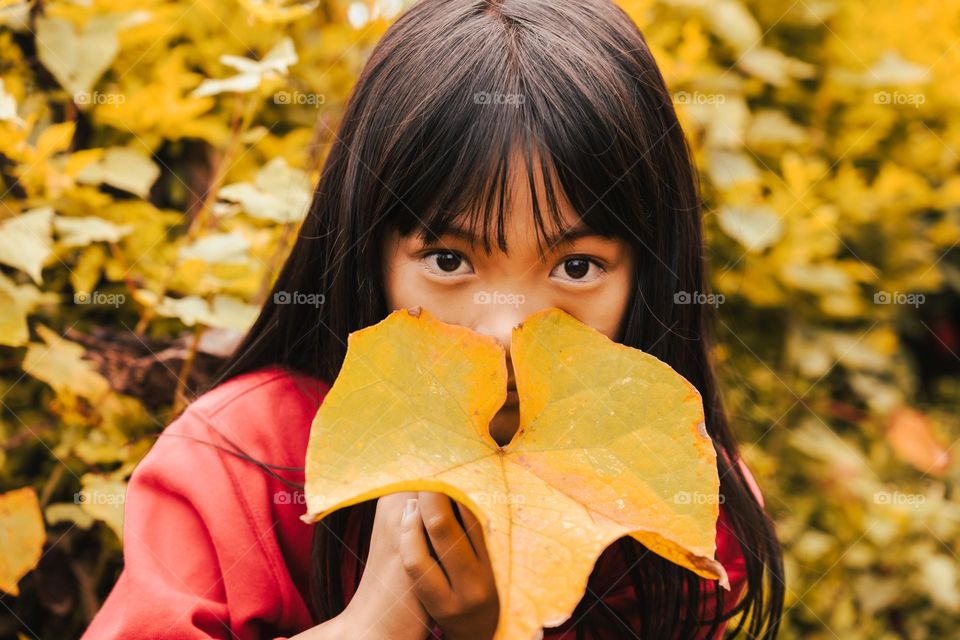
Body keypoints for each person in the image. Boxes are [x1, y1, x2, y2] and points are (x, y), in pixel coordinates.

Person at [81, 0, 784, 637]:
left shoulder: (680, 503)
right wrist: (378, 622)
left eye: (575, 267)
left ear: (649, 276)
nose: (505, 329)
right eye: (450, 261)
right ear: (370, 249)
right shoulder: (237, 463)